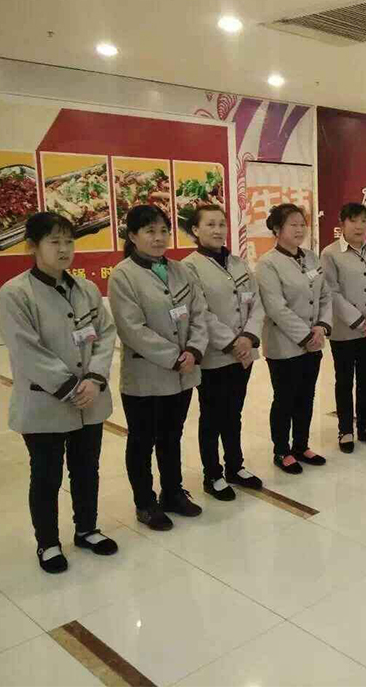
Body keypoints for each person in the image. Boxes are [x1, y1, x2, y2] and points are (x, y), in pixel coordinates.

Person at [0, 212, 119, 573]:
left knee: (86, 468)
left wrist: (94, 378)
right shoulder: (15, 293)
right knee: (46, 475)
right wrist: (69, 386)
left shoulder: (86, 289)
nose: (64, 249)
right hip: (45, 402)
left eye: (69, 241)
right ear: (32, 247)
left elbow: (105, 333)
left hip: (90, 399)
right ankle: (48, 542)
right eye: (54, 242)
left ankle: (87, 529)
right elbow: (25, 348)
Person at [109, 204, 208, 531]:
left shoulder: (181, 270)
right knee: (142, 440)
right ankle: (145, 502)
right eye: (150, 231)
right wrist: (174, 357)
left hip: (183, 373)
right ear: (133, 236)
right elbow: (132, 329)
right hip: (147, 377)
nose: (159, 238)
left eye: (163, 230)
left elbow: (199, 312)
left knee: (171, 435)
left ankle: (172, 493)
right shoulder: (123, 275)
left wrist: (194, 349)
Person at [182, 205, 263, 500]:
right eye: (210, 224)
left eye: (221, 224)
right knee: (212, 416)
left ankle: (235, 466)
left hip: (244, 354)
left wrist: (248, 338)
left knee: (234, 413)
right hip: (215, 356)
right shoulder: (189, 267)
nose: (218, 230)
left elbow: (256, 302)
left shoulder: (238, 263)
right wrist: (232, 344)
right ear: (195, 230)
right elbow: (200, 313)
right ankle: (212, 474)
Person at [256, 203, 332, 473]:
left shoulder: (311, 258)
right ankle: (281, 450)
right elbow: (276, 308)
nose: (300, 230)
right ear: (277, 229)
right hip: (284, 345)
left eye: (302, 224)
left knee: (306, 396)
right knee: (285, 399)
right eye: (293, 225)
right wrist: (306, 336)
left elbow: (325, 295)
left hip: (314, 342)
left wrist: (321, 327)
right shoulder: (267, 264)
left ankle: (301, 445)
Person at [321, 203, 366, 452]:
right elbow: (331, 292)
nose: (360, 226)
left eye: (364, 221)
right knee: (344, 380)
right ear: (342, 223)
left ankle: (365, 426)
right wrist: (361, 322)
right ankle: (345, 430)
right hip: (345, 331)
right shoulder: (330, 254)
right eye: (353, 221)